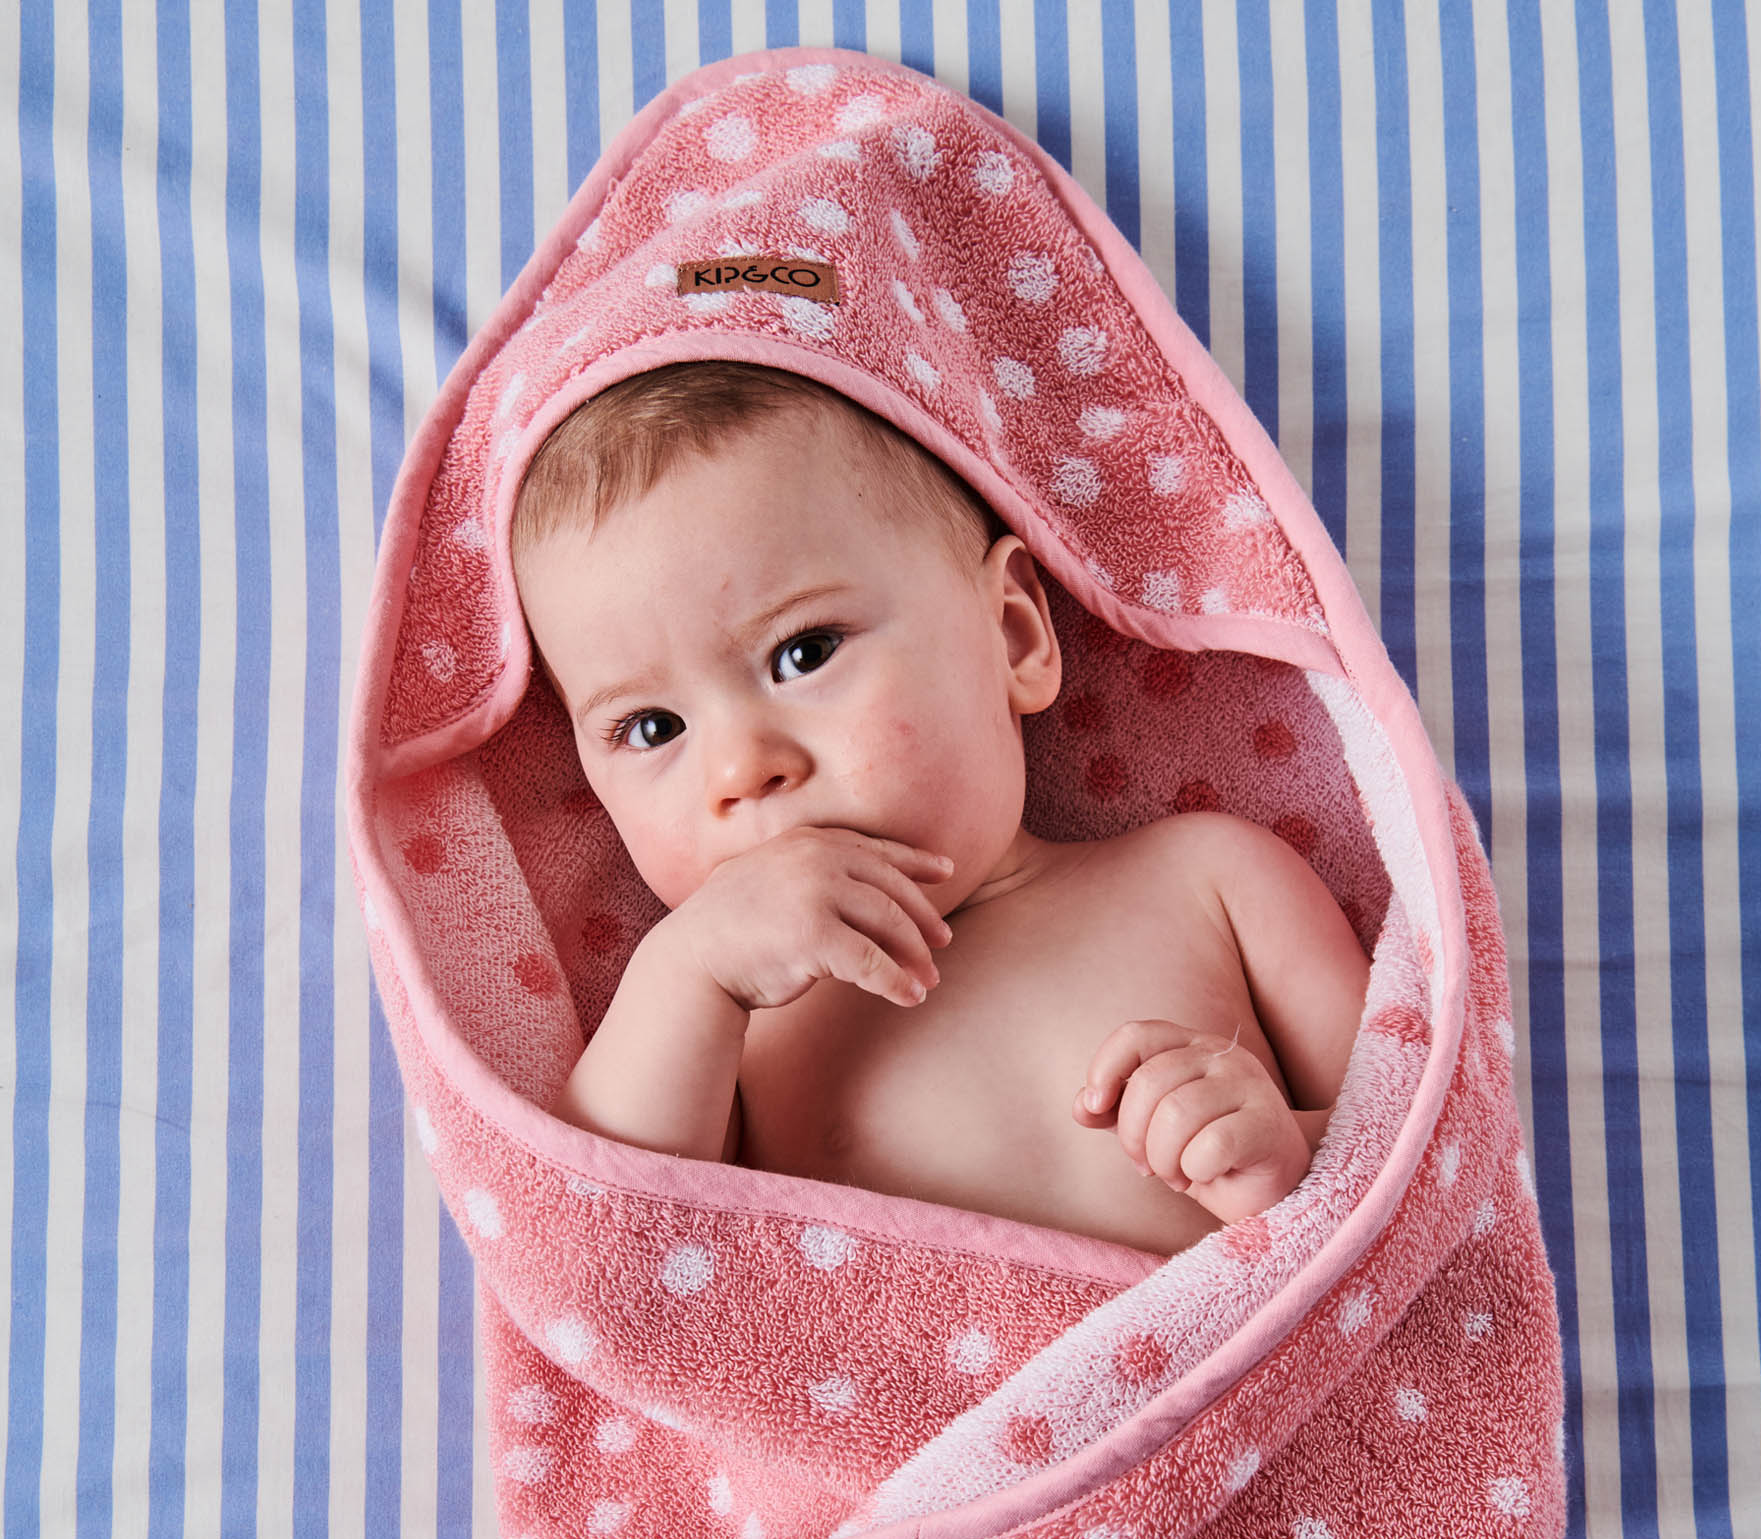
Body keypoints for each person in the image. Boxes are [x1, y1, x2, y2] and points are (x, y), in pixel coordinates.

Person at [510, 360, 1371, 1258]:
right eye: (652, 726)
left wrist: (1281, 1157)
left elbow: (1424, 1153)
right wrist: (686, 972)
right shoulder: (724, 1033)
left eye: (803, 654)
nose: (741, 768)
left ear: (1014, 636)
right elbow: (600, 1247)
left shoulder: (1211, 881)